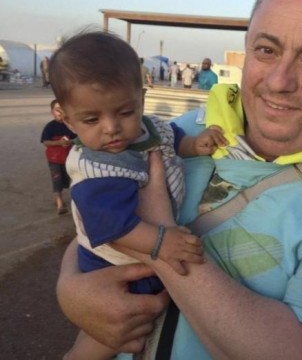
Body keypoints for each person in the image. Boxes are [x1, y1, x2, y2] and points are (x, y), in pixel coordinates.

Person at [57, 0, 302, 360]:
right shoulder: (183, 132)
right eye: (267, 50)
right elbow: (93, 216)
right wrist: (69, 289)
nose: (278, 81)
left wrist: (164, 236)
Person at [49, 31, 227, 360]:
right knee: (116, 326)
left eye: (125, 112)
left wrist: (195, 145)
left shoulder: (150, 128)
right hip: (113, 262)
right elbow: (116, 229)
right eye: (92, 119)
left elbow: (172, 141)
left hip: (140, 250)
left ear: (141, 99)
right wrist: (162, 241)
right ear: (68, 119)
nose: (111, 128)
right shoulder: (97, 172)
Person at [40, 99, 76, 214]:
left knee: (71, 180)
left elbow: (78, 139)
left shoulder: (71, 126)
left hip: (70, 159)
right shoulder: (50, 127)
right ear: (52, 112)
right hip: (54, 159)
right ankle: (60, 204)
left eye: (63, 110)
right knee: (57, 180)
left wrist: (70, 142)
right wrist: (59, 143)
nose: (60, 113)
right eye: (57, 110)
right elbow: (45, 142)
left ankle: (75, 201)